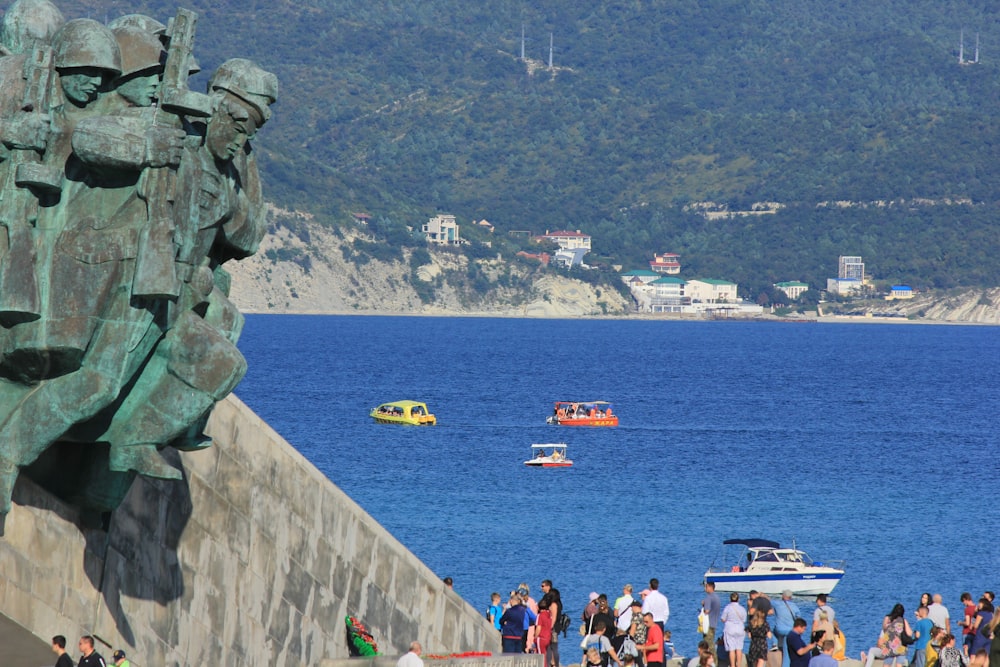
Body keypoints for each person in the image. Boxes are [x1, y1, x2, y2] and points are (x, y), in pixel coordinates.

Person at [773, 590, 801, 667]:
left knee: (774, 630)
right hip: (789, 632)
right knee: (786, 653)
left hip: (779, 630)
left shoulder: (777, 604)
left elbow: (768, 601)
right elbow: (798, 618)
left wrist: (762, 595)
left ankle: (774, 643)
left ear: (783, 596)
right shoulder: (794, 606)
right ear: (790, 597)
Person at [722, 592, 747, 667]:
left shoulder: (727, 608)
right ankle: (738, 665)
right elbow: (744, 620)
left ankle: (732, 665)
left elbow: (723, 619)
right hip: (740, 629)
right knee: (739, 648)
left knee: (731, 649)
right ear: (738, 599)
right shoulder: (742, 609)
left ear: (730, 599)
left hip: (730, 628)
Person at [703, 582, 722, 658]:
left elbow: (706, 611)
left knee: (708, 645)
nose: (705, 588)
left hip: (708, 625)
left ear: (710, 587)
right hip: (714, 623)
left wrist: (703, 606)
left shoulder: (708, 597)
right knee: (711, 644)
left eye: (706, 587)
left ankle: (712, 662)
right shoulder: (717, 597)